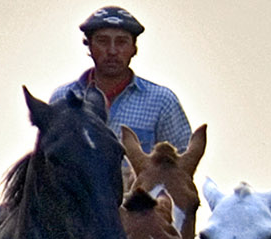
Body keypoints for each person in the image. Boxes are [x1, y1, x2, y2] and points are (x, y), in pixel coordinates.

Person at [52, 6, 191, 154]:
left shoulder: (162, 102)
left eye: (121, 42)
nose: (112, 51)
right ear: (90, 46)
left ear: (134, 48)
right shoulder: (63, 98)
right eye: (103, 41)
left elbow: (183, 162)